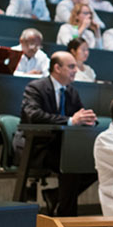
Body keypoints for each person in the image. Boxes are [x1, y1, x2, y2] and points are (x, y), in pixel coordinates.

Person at [14, 52, 98, 216]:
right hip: (36, 147)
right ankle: (67, 218)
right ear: (57, 68)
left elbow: (77, 115)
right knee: (71, 164)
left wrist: (88, 120)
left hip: (59, 147)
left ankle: (56, 196)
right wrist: (70, 121)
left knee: (94, 163)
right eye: (71, 66)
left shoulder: (71, 91)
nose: (75, 70)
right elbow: (33, 116)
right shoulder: (35, 87)